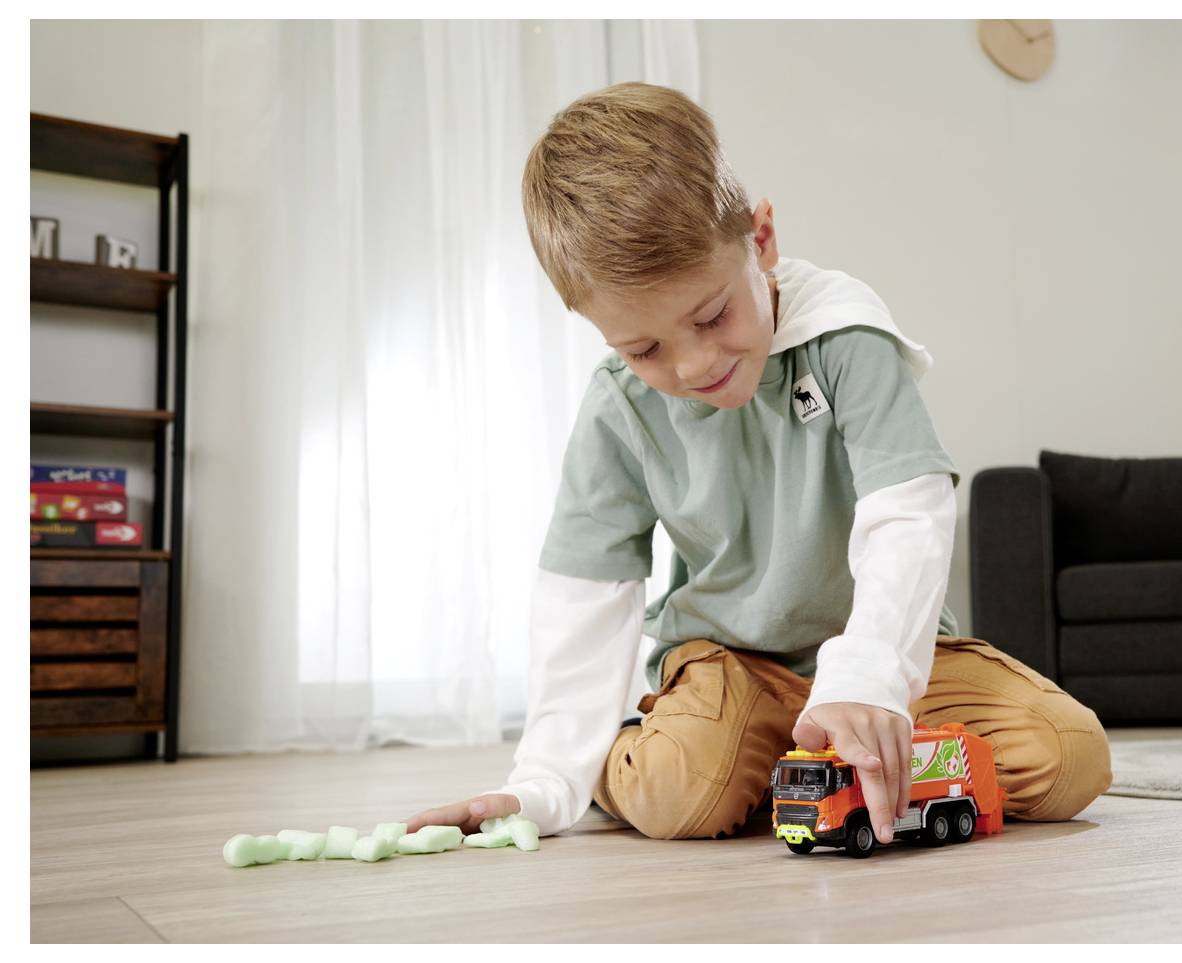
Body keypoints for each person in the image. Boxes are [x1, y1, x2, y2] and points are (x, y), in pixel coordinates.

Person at [406, 82, 1111, 845]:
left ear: (761, 239)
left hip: (886, 654)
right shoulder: (618, 407)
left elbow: (906, 515)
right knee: (680, 796)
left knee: (1066, 758)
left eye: (711, 315)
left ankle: (774, 758)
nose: (692, 364)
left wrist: (869, 676)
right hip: (731, 663)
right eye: (642, 348)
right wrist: (546, 779)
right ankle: (630, 751)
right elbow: (585, 592)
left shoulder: (846, 339)